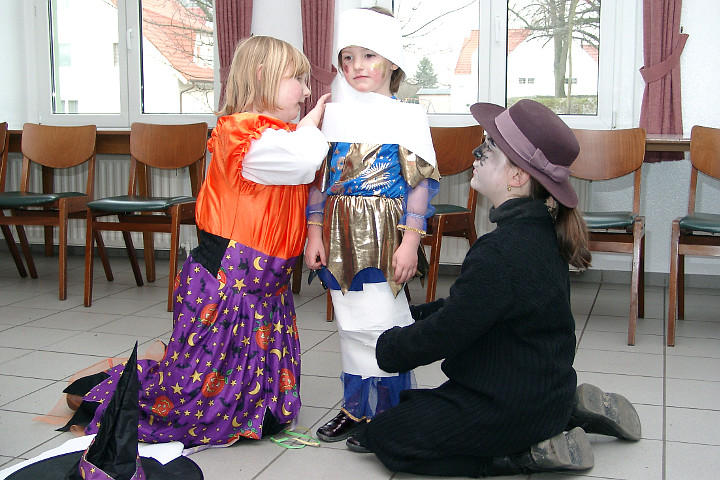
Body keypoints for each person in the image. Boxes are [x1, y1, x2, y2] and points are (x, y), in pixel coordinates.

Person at [344, 99, 642, 477]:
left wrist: (387, 346)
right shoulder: (538, 233)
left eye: (488, 149)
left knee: (386, 435)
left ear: (516, 177)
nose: (476, 153)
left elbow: (449, 331)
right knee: (415, 403)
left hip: (509, 405)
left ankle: (524, 455)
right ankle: (565, 409)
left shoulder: (501, 251)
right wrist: (411, 314)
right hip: (540, 388)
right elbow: (472, 307)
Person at [63, 35, 331, 449]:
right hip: (229, 282)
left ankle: (253, 408)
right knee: (193, 401)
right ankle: (117, 394)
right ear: (264, 77)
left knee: (243, 368)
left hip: (262, 283)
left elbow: (303, 170)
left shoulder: (280, 133)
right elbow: (304, 161)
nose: (307, 89)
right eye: (298, 78)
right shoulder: (242, 133)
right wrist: (312, 124)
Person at [304, 7, 440, 443]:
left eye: (369, 55)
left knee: (384, 322)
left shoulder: (408, 118)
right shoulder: (334, 116)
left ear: (393, 61)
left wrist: (410, 241)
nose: (357, 67)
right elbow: (319, 181)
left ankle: (390, 411)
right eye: (347, 58)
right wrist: (314, 231)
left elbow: (419, 183)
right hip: (341, 235)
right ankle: (355, 408)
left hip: (387, 235)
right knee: (349, 323)